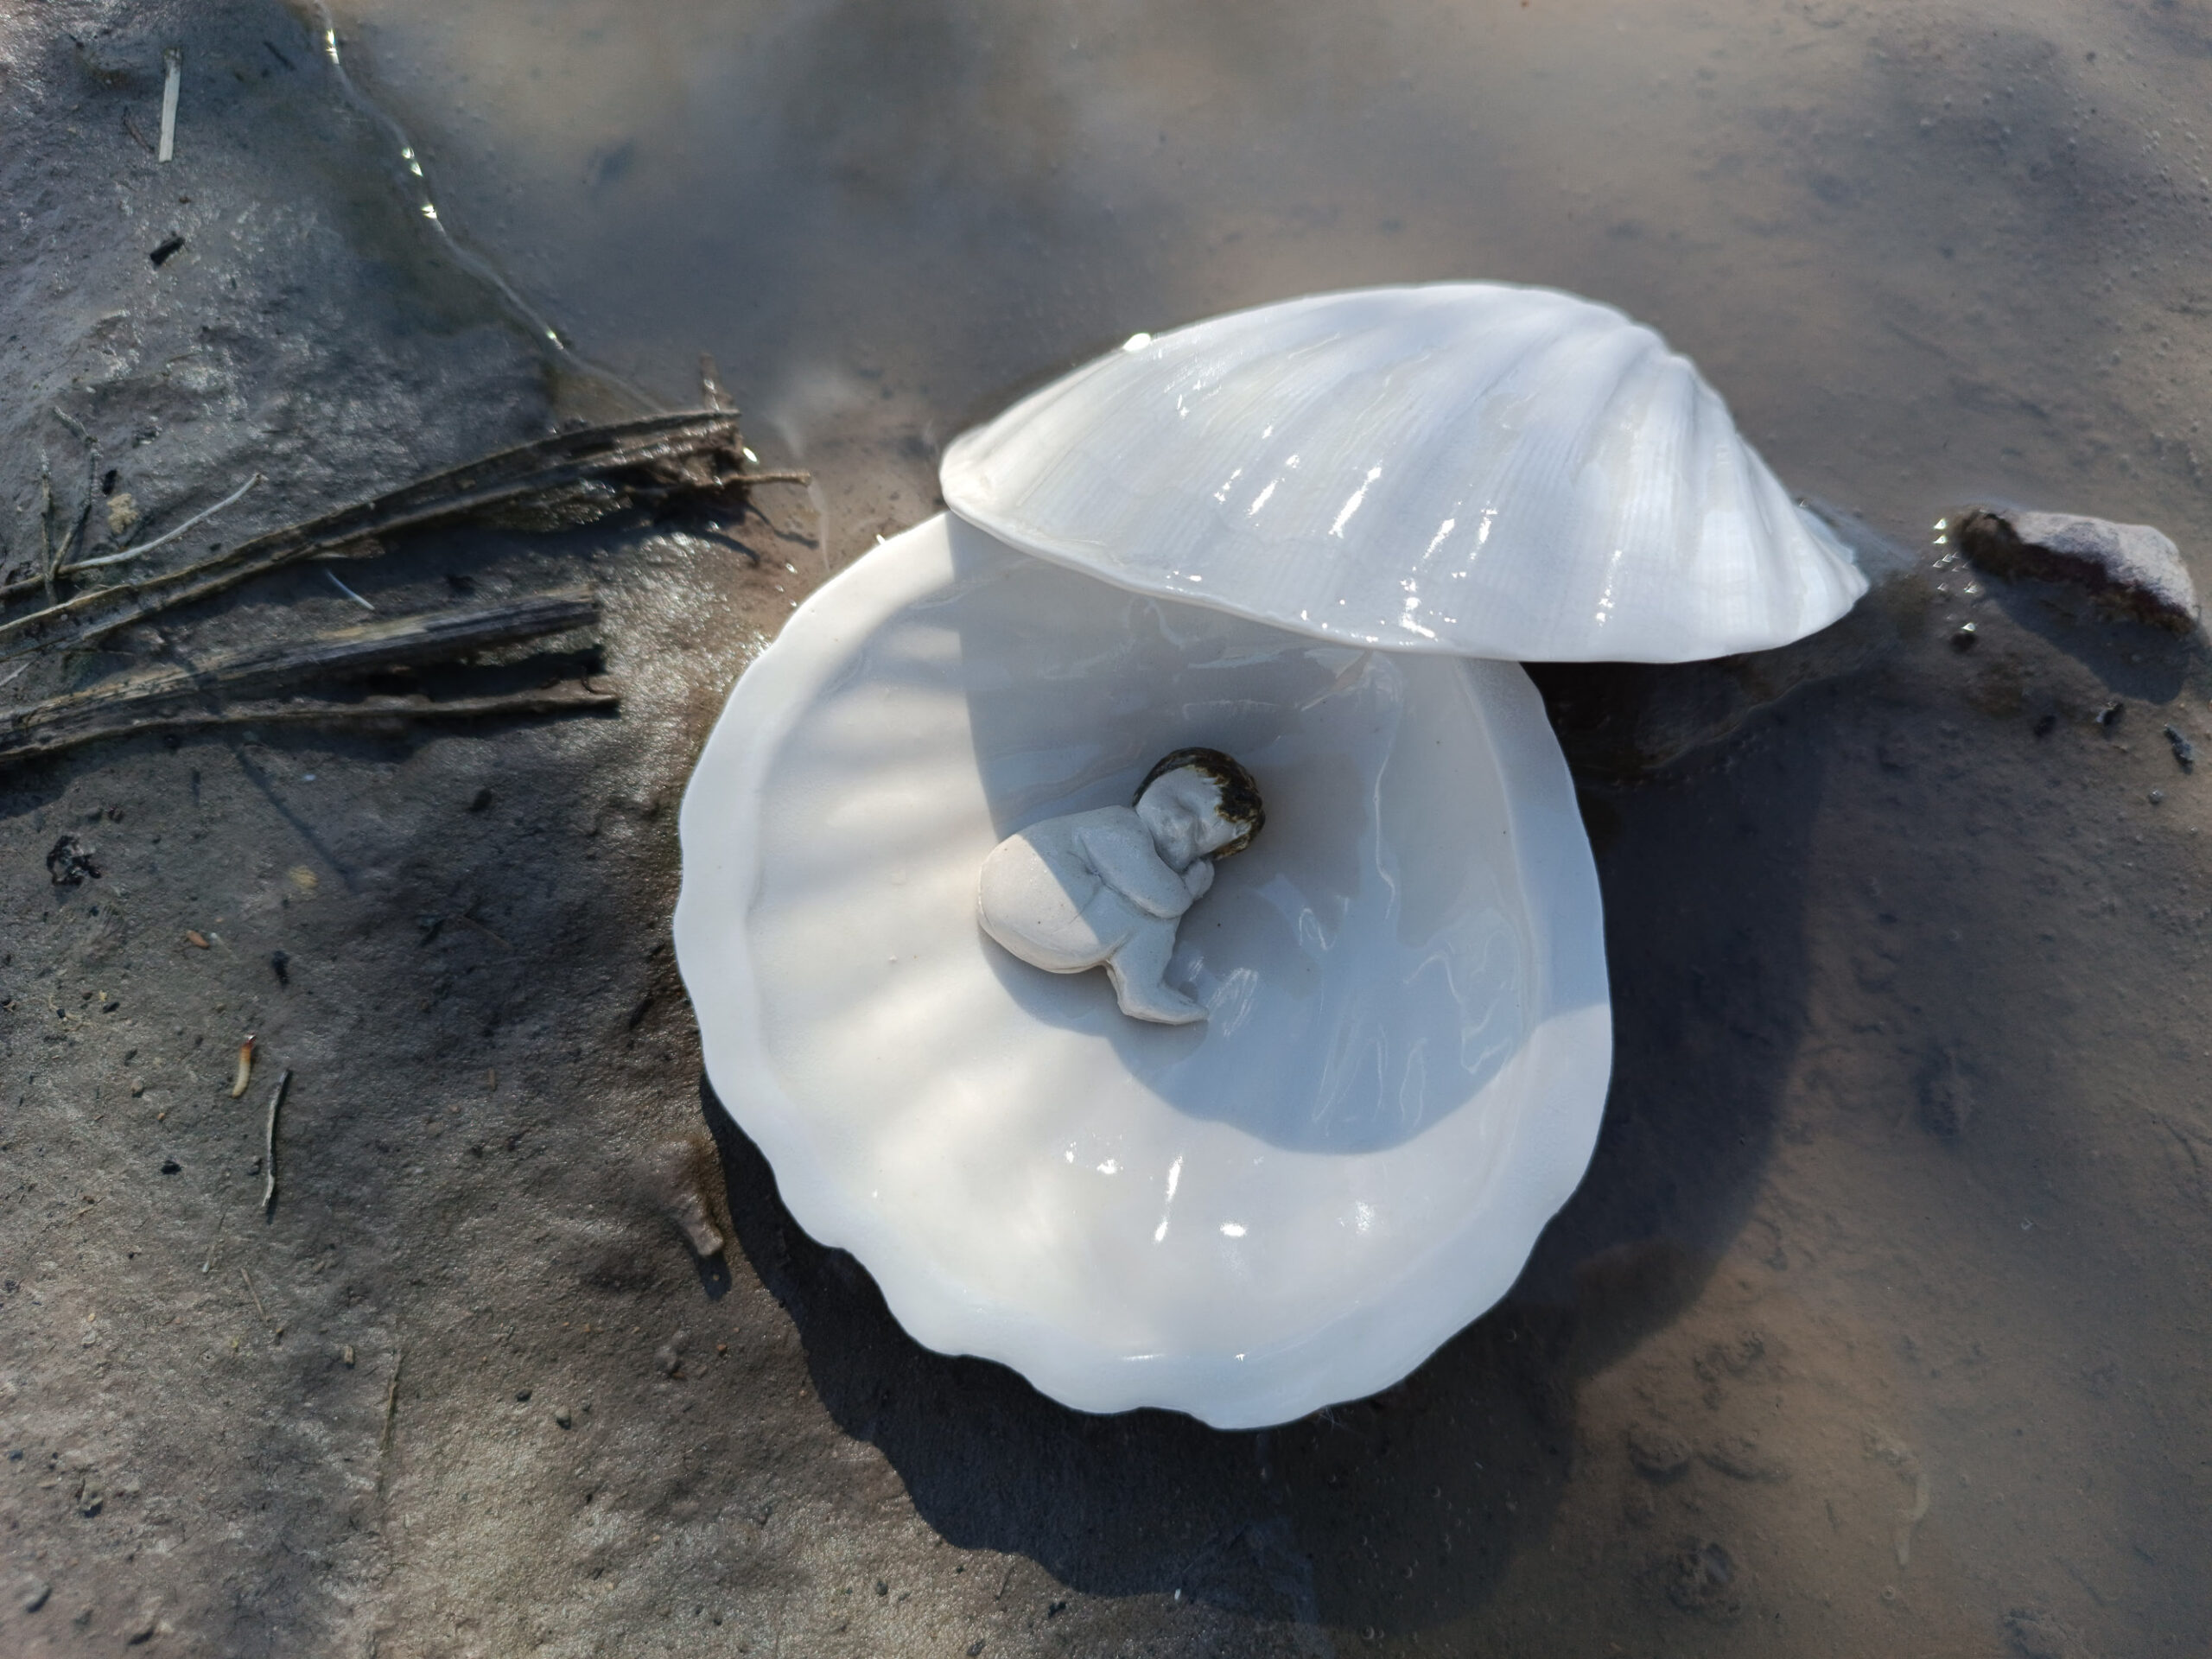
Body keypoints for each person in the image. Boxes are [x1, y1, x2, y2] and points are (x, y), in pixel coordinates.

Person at [976, 747, 1264, 1024]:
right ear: (1147, 786)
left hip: (1035, 919)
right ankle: (1142, 991)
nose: (1179, 823)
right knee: (1158, 915)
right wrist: (1191, 887)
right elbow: (1167, 899)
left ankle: (1141, 991)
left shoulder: (1138, 852)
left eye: (1199, 834)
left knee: (1146, 911)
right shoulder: (1119, 825)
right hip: (1031, 895)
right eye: (1178, 802)